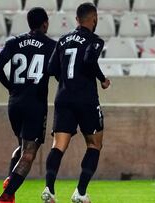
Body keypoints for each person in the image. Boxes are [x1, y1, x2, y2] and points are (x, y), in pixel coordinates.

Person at [41, 3, 110, 203]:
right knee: (94, 144)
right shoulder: (95, 40)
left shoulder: (62, 40)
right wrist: (102, 79)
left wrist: (67, 83)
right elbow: (89, 61)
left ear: (77, 19)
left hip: (63, 98)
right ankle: (80, 193)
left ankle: (49, 190)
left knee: (59, 145)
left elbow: (51, 68)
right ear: (94, 18)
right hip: (86, 99)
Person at [0, 7, 56, 203]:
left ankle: (10, 182)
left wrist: (10, 87)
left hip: (15, 103)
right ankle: (6, 195)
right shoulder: (51, 45)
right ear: (45, 23)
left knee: (22, 147)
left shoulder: (14, 42)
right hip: (34, 104)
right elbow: (58, 72)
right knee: (29, 153)